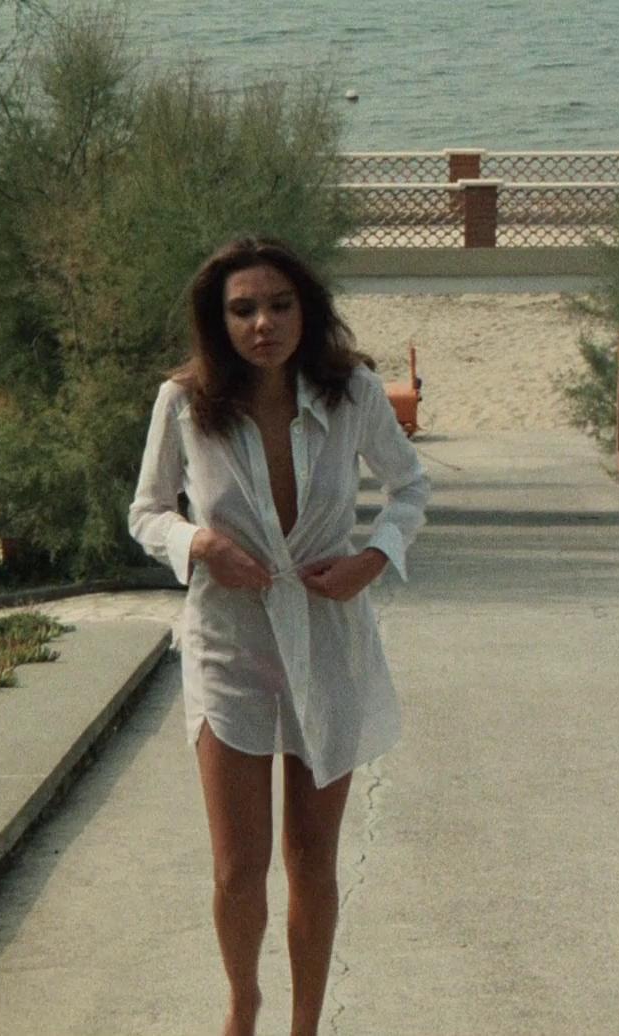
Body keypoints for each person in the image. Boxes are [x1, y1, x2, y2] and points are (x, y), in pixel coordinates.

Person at [128, 237, 429, 1036]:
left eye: (279, 305)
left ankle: (304, 1025)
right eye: (243, 309)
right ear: (218, 320)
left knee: (313, 859)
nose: (263, 323)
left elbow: (409, 485)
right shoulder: (184, 403)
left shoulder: (352, 393)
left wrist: (373, 557)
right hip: (230, 644)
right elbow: (148, 511)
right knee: (238, 868)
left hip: (327, 637)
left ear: (306, 310)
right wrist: (199, 543)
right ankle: (242, 1004)